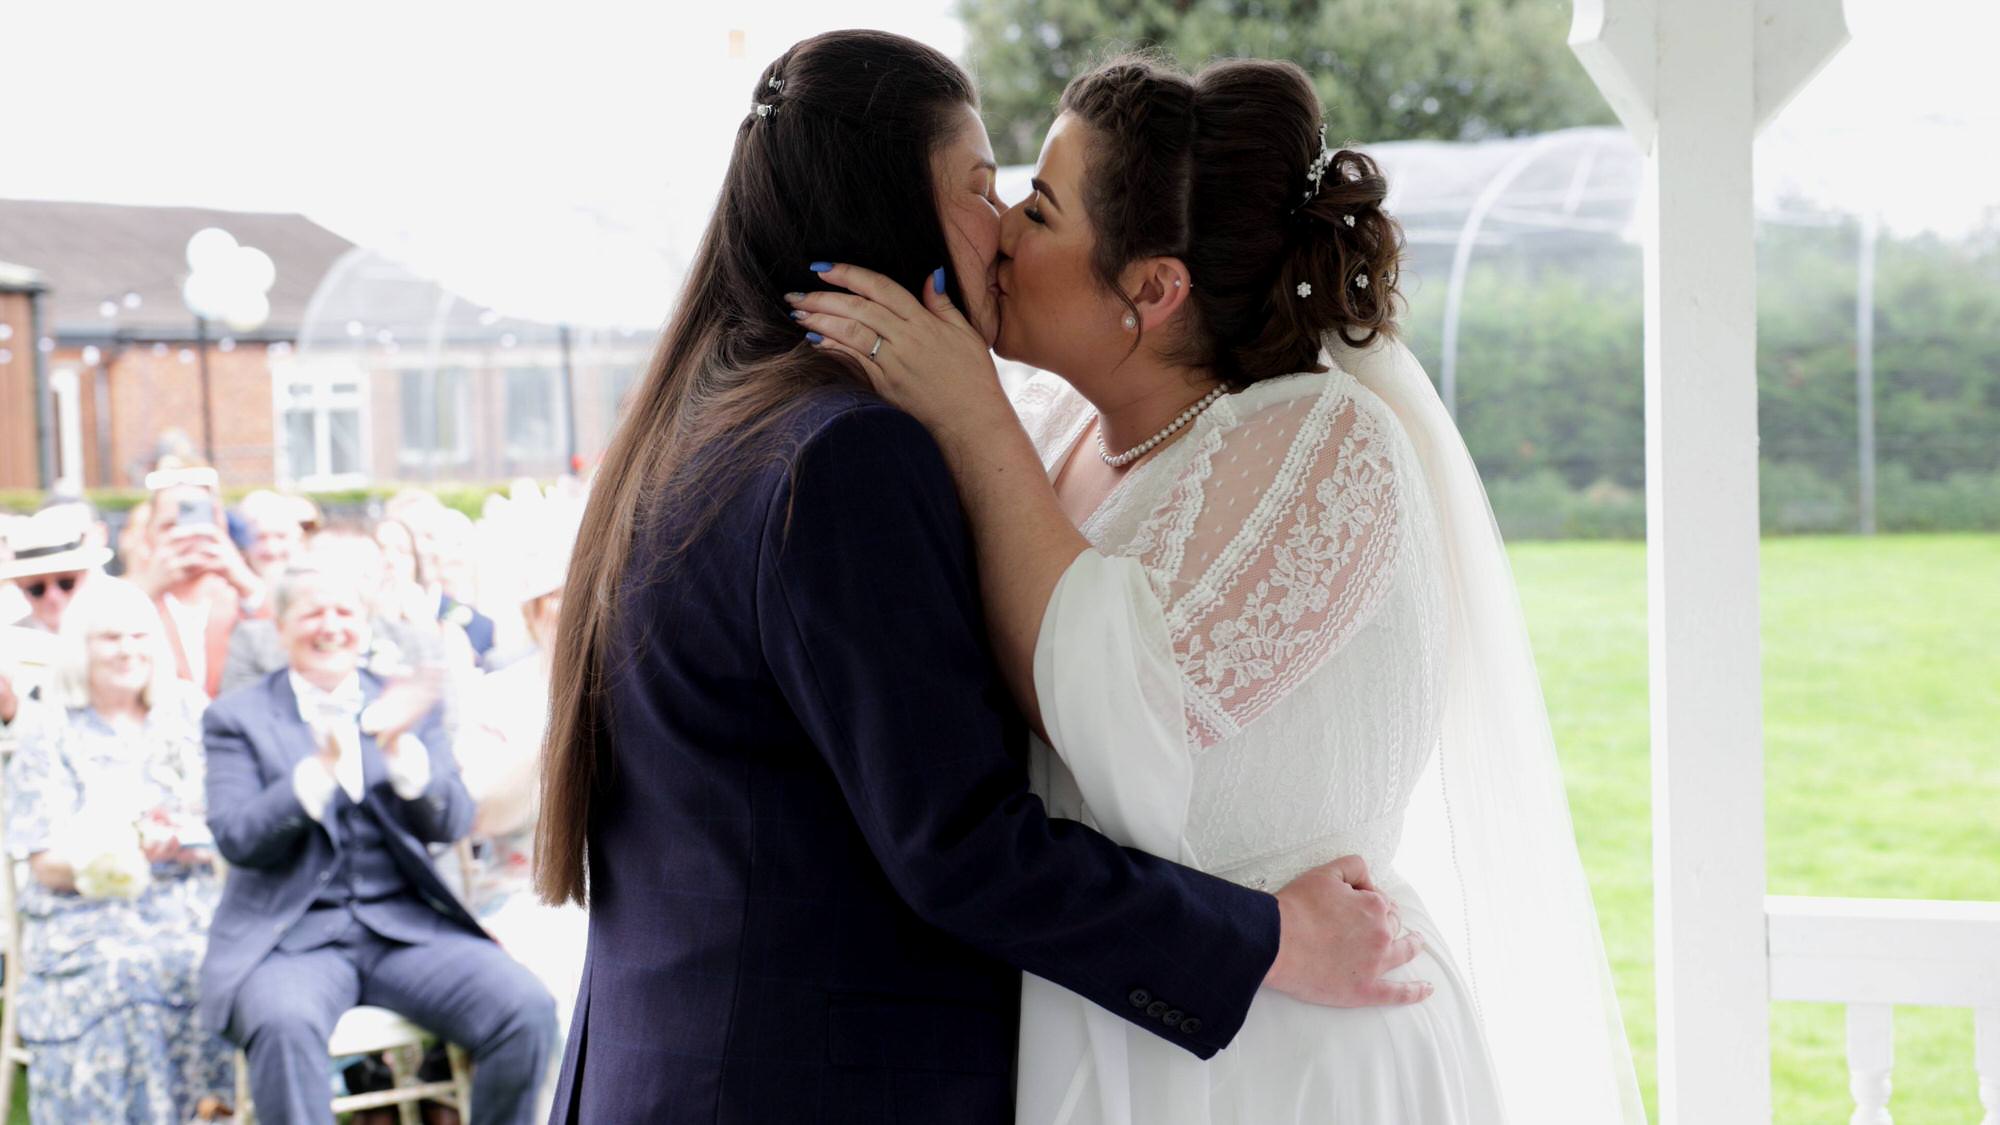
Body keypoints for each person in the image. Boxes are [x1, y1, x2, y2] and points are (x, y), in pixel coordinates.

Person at [535, 31, 1424, 1125]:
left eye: (1025, 200)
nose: (998, 227)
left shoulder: (711, 413)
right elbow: (961, 847)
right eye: (981, 187)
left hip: (679, 1063)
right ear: (892, 210)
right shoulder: (845, 452)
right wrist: (1274, 938)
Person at [795, 53, 1645, 1125]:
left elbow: (1121, 727)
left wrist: (969, 417)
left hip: (1280, 1050)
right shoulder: (1051, 426)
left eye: (1041, 210)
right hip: (1108, 1014)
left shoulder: (1324, 441)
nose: (1002, 228)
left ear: (1151, 288)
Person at [199, 563, 556, 1125]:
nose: (331, 626)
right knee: (283, 1025)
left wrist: (404, 764)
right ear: (280, 626)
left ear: (363, 625)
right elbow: (238, 838)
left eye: (344, 612)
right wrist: (319, 772)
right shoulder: (236, 718)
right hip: (291, 940)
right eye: (313, 612)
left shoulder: (405, 704)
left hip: (404, 929)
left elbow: (452, 821)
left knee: (525, 1009)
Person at [4, 577, 233, 1123]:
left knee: (223, 962)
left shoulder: (186, 710)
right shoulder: (50, 727)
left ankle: (216, 1111)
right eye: (110, 638)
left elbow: (229, 816)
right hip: (86, 914)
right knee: (128, 974)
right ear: (80, 647)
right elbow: (44, 862)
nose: (129, 650)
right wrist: (122, 854)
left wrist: (187, 842)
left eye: (139, 635)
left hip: (190, 901)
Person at [130, 467, 263, 696]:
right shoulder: (130, 599)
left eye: (197, 522)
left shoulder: (245, 599)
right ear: (149, 535)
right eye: (170, 526)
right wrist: (148, 589)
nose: (186, 536)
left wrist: (244, 582)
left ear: (219, 526)